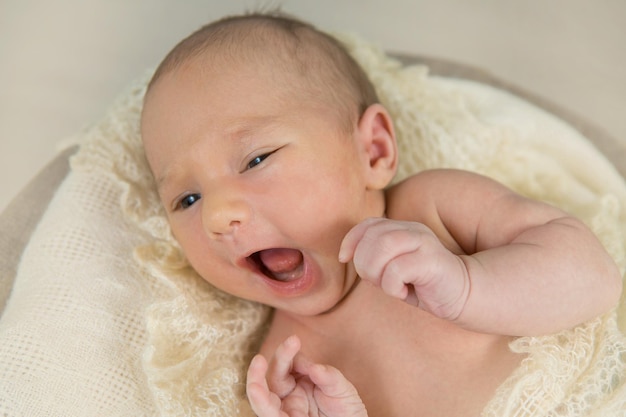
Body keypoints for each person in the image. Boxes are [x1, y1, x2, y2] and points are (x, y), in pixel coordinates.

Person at [139, 11, 622, 417]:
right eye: (187, 199)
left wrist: (469, 283)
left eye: (256, 159)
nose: (218, 216)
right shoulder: (286, 367)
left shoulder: (434, 209)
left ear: (373, 150)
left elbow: (594, 276)